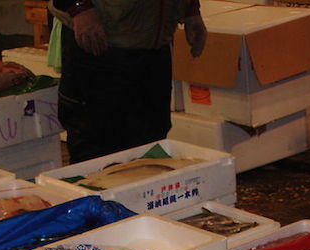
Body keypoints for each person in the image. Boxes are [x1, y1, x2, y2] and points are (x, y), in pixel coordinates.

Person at [49, 0, 208, 164]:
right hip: (100, 42)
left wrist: (190, 8)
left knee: (151, 145)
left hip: (155, 43)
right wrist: (79, 6)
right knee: (97, 147)